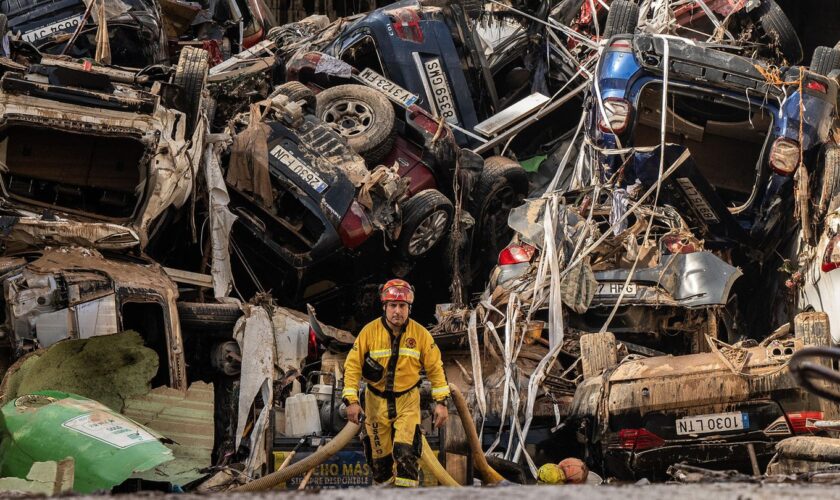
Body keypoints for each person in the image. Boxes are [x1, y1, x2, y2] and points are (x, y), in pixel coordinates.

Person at [342, 278, 450, 487]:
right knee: (379, 464)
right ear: (385, 307)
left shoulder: (421, 335)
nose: (397, 311)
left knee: (406, 454)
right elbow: (352, 367)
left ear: (409, 307)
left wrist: (441, 403)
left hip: (407, 402)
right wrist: (351, 401)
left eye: (402, 306)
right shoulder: (369, 332)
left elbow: (436, 369)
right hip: (375, 403)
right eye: (393, 305)